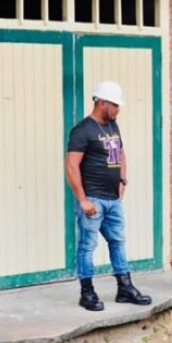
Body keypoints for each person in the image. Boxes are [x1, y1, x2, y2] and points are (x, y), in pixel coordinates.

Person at [65, 81, 152, 311]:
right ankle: (87, 292)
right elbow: (72, 166)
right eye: (115, 105)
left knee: (118, 241)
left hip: (113, 199)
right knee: (87, 245)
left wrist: (123, 180)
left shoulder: (113, 126)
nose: (118, 109)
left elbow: (121, 153)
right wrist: (83, 200)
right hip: (93, 199)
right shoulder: (82, 130)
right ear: (102, 103)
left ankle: (125, 288)